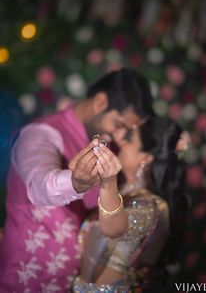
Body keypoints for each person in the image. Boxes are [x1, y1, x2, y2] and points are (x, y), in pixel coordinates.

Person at [0, 68, 154, 292]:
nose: (120, 136)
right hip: (21, 281)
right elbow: (40, 186)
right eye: (119, 124)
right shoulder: (41, 133)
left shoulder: (106, 147)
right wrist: (77, 182)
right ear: (100, 102)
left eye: (127, 131)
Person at [71, 115, 189, 293]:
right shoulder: (126, 193)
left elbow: (107, 284)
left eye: (129, 140)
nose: (121, 143)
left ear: (147, 157)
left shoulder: (146, 207)